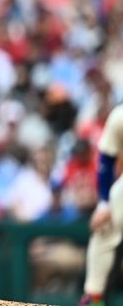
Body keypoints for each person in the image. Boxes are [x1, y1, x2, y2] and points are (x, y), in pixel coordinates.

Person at [79, 104, 123, 306]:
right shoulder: (119, 117)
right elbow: (106, 158)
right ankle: (94, 298)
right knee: (104, 223)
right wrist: (104, 203)